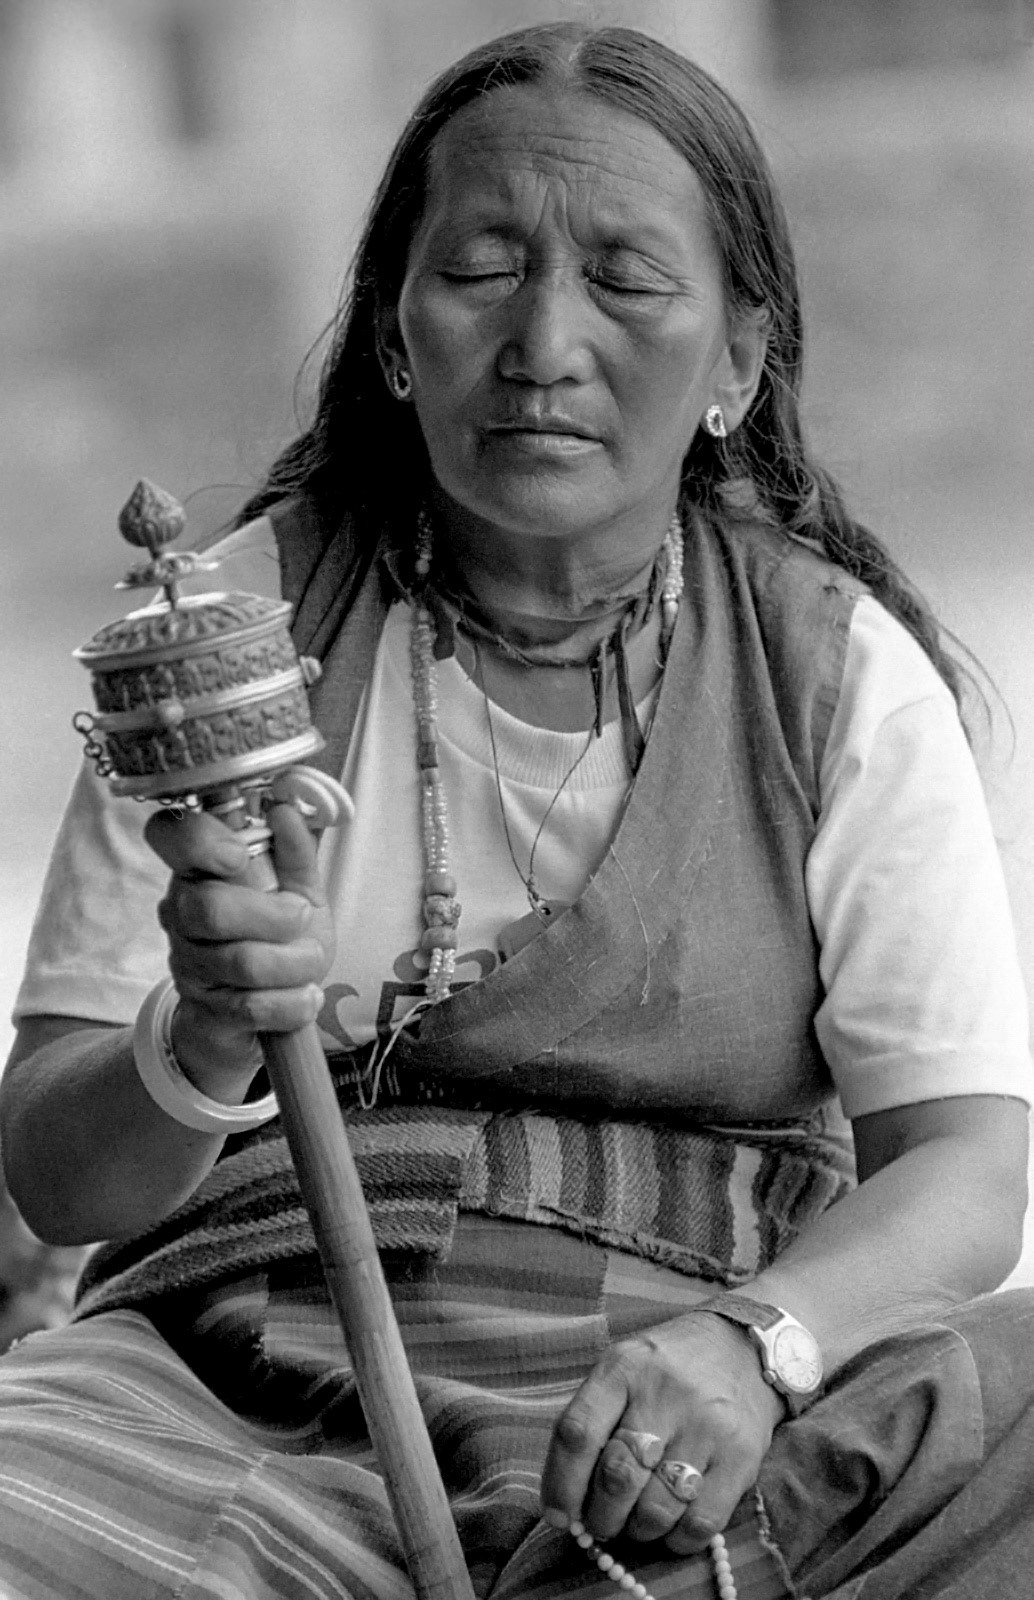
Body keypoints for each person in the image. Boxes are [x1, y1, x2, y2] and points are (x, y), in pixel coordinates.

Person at [2, 20, 1031, 1600]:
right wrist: (196, 1037)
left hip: (672, 1411)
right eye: (482, 269)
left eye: (625, 278)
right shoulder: (229, 637)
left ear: (737, 364)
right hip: (232, 1395)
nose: (545, 340)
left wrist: (758, 1345)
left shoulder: (836, 674)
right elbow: (57, 1177)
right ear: (397, 334)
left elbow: (962, 1166)